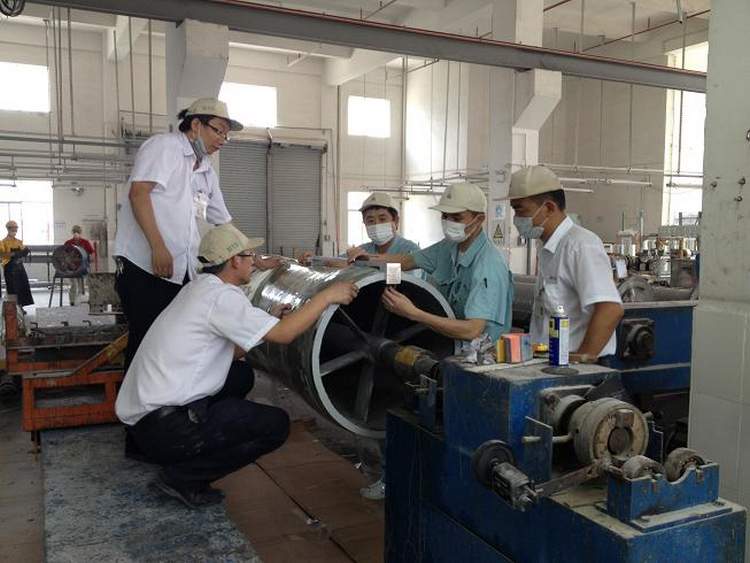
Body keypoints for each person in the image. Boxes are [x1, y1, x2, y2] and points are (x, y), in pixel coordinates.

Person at [115, 223, 359, 509]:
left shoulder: (200, 288)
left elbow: (222, 353)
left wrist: (269, 321)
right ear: (234, 260)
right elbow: (285, 335)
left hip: (145, 422)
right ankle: (182, 478)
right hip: (165, 429)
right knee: (275, 425)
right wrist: (326, 296)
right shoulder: (222, 297)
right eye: (249, 256)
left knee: (240, 376)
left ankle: (194, 443)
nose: (254, 262)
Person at [348, 183, 514, 499]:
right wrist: (365, 259)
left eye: (457, 217)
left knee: (464, 436)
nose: (449, 222)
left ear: (479, 219)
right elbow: (408, 261)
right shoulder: (449, 248)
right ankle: (417, 485)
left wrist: (414, 313)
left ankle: (454, 494)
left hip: (480, 364)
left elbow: (472, 330)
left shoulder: (488, 263)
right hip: (448, 354)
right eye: (446, 216)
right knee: (427, 422)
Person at [114, 97, 278, 371]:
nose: (222, 139)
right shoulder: (165, 147)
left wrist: (255, 258)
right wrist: (158, 247)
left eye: (226, 134)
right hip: (144, 267)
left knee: (169, 344)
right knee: (146, 342)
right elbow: (138, 193)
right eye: (218, 130)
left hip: (179, 271)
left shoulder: (205, 171)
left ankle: (173, 394)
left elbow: (223, 222)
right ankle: (138, 398)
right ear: (195, 125)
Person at [508, 165, 624, 363]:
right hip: (551, 362)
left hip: (575, 367)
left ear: (549, 208)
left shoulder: (580, 246)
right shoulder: (547, 247)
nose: (516, 219)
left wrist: (582, 359)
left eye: (520, 210)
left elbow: (610, 309)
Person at [299, 192, 421, 275]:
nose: (376, 225)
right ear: (365, 224)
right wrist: (313, 260)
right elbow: (335, 262)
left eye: (382, 219)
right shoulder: (364, 249)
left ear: (396, 221)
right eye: (370, 221)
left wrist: (362, 264)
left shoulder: (410, 250)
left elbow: (407, 281)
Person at [1, 220, 33, 308]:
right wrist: (14, 254)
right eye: (13, 228)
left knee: (22, 287)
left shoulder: (18, 241)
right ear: (8, 229)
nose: (15, 230)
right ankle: (13, 309)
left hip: (19, 268)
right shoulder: (3, 242)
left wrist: (25, 251)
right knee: (12, 289)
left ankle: (20, 308)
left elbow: (24, 251)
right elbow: (2, 255)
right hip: (9, 269)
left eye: (16, 228)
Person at [64, 225, 95, 306]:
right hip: (72, 268)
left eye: (77, 232)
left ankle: (79, 301)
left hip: (83, 267)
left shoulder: (85, 242)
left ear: (80, 233)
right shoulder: (68, 243)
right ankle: (72, 301)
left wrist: (90, 260)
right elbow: (64, 254)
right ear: (72, 233)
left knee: (81, 285)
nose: (76, 234)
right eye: (74, 232)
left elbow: (92, 253)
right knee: (73, 285)